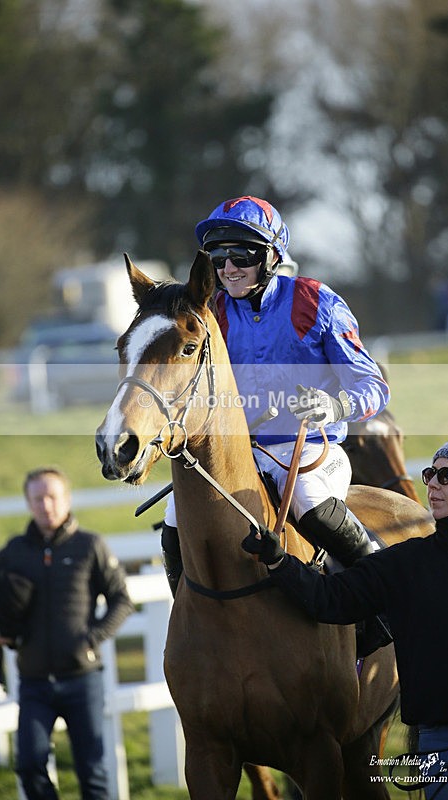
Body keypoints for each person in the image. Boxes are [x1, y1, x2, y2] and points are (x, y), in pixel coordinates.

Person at [242, 434, 448, 799]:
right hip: (443, 740)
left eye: (446, 477)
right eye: (430, 474)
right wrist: (279, 562)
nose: (431, 485)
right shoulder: (408, 560)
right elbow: (331, 599)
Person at [162, 195, 389, 595]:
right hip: (237, 453)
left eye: (241, 256)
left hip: (309, 450)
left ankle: (387, 595)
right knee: (174, 518)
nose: (228, 269)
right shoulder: (210, 311)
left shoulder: (316, 301)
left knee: (311, 503)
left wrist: (334, 405)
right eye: (217, 258)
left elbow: (373, 386)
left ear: (271, 256)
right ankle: (188, 619)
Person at [0, 467, 133, 800]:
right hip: (34, 682)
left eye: (52, 496)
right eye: (38, 498)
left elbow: (122, 600)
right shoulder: (15, 550)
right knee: (29, 766)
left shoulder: (90, 546)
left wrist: (91, 639)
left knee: (93, 773)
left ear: (66, 499)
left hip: (83, 679)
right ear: (28, 502)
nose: (46, 505)